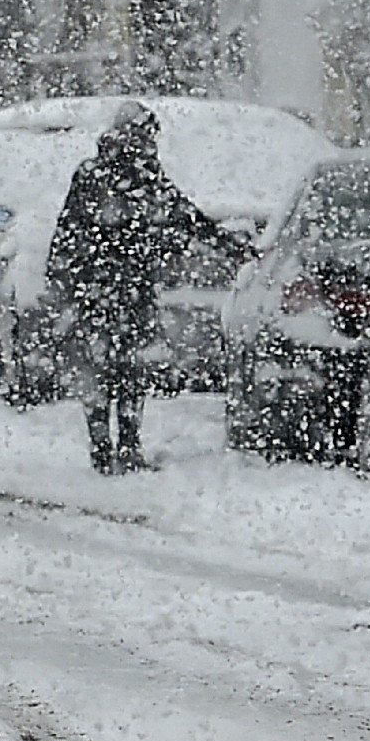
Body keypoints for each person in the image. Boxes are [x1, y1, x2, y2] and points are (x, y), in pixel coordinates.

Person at [44, 105, 251, 474]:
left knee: (112, 369)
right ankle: (119, 446)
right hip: (117, 287)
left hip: (112, 288)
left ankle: (113, 446)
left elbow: (182, 216)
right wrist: (228, 246)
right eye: (145, 136)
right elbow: (183, 217)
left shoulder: (113, 174)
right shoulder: (123, 177)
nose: (148, 143)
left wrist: (66, 279)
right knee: (123, 369)